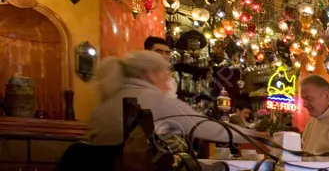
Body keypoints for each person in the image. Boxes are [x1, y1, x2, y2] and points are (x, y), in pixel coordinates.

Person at [87, 51, 254, 145]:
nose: (168, 82)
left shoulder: (107, 99)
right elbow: (207, 127)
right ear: (151, 74)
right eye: (166, 74)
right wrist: (256, 136)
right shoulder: (155, 100)